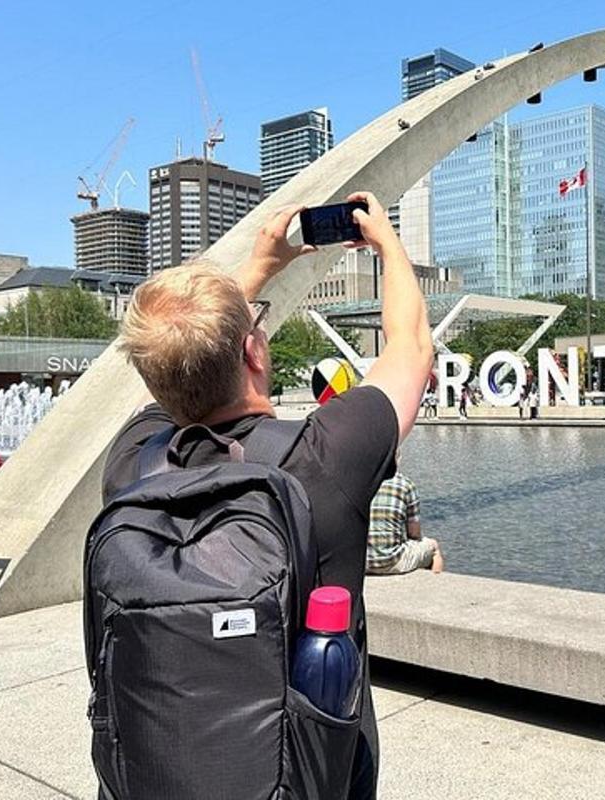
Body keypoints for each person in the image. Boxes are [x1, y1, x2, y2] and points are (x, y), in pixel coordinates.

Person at [101, 193, 434, 800]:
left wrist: (257, 265)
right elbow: (411, 348)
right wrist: (388, 243)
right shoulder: (323, 455)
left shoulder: (134, 464)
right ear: (254, 350)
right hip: (307, 776)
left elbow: (177, 358)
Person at [366, 470, 443, 575]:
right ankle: (436, 583)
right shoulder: (405, 485)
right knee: (434, 547)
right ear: (397, 459)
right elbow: (414, 534)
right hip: (392, 561)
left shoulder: (360, 482)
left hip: (362, 561)